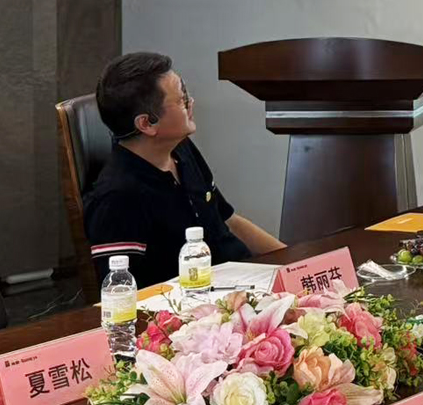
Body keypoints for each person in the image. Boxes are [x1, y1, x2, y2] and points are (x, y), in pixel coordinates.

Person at [84, 52, 283, 286]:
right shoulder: (116, 198)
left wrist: (295, 261)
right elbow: (122, 292)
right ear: (146, 123)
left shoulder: (181, 149)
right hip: (199, 301)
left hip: (247, 281)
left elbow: (229, 220)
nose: (191, 103)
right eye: (181, 99)